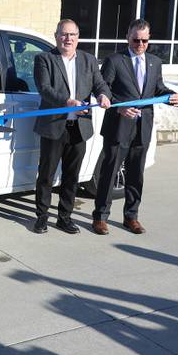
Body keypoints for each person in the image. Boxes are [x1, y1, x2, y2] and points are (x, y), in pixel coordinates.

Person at [92, 18, 178, 235]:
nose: (139, 44)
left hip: (143, 127)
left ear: (149, 40)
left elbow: (157, 88)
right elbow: (103, 90)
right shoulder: (115, 60)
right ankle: (100, 217)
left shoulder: (154, 62)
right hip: (118, 126)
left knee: (136, 175)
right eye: (135, 40)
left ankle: (131, 216)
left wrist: (172, 96)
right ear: (127, 37)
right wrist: (118, 107)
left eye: (144, 41)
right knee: (109, 173)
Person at [32, 19, 111, 235]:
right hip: (54, 126)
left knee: (72, 176)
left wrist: (104, 95)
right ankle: (41, 216)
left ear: (78, 37)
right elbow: (45, 89)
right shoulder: (44, 59)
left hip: (79, 127)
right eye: (64, 34)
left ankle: (64, 217)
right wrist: (67, 101)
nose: (68, 39)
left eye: (72, 35)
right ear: (56, 36)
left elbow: (100, 84)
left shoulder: (89, 60)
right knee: (46, 175)